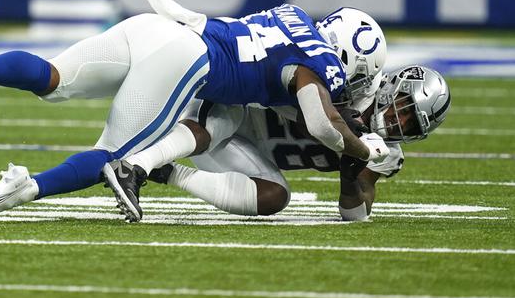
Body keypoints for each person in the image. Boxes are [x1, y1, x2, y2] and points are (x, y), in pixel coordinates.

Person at [0, 0, 390, 223]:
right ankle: (22, 187)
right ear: (345, 52)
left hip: (153, 28)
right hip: (187, 60)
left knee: (55, 79)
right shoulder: (321, 63)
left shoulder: (293, 15)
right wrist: (368, 151)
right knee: (112, 155)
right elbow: (324, 126)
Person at [136, 65, 451, 221]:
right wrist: (341, 126)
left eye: (411, 125)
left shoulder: (386, 152)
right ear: (391, 89)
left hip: (238, 153)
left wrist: (350, 175)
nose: (400, 122)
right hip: (226, 109)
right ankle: (144, 155)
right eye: (404, 109)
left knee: (275, 197)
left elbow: (356, 212)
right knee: (219, 125)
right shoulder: (350, 88)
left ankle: (166, 172)